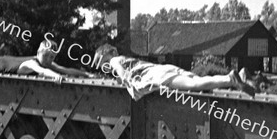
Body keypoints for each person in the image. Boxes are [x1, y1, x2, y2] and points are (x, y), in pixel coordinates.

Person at [93, 44, 257, 101]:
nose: (106, 67)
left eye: (103, 63)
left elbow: (122, 72)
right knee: (196, 78)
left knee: (194, 84)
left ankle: (230, 79)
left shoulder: (115, 61)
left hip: (158, 77)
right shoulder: (126, 59)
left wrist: (126, 81)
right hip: (164, 69)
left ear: (109, 54)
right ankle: (242, 76)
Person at [0, 40, 93, 81]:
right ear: (38, 53)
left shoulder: (44, 62)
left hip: (7, 61)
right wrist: (55, 76)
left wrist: (86, 75)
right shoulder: (33, 63)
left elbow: (65, 70)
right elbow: (43, 71)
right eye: (46, 56)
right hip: (1, 64)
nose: (49, 60)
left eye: (52, 57)